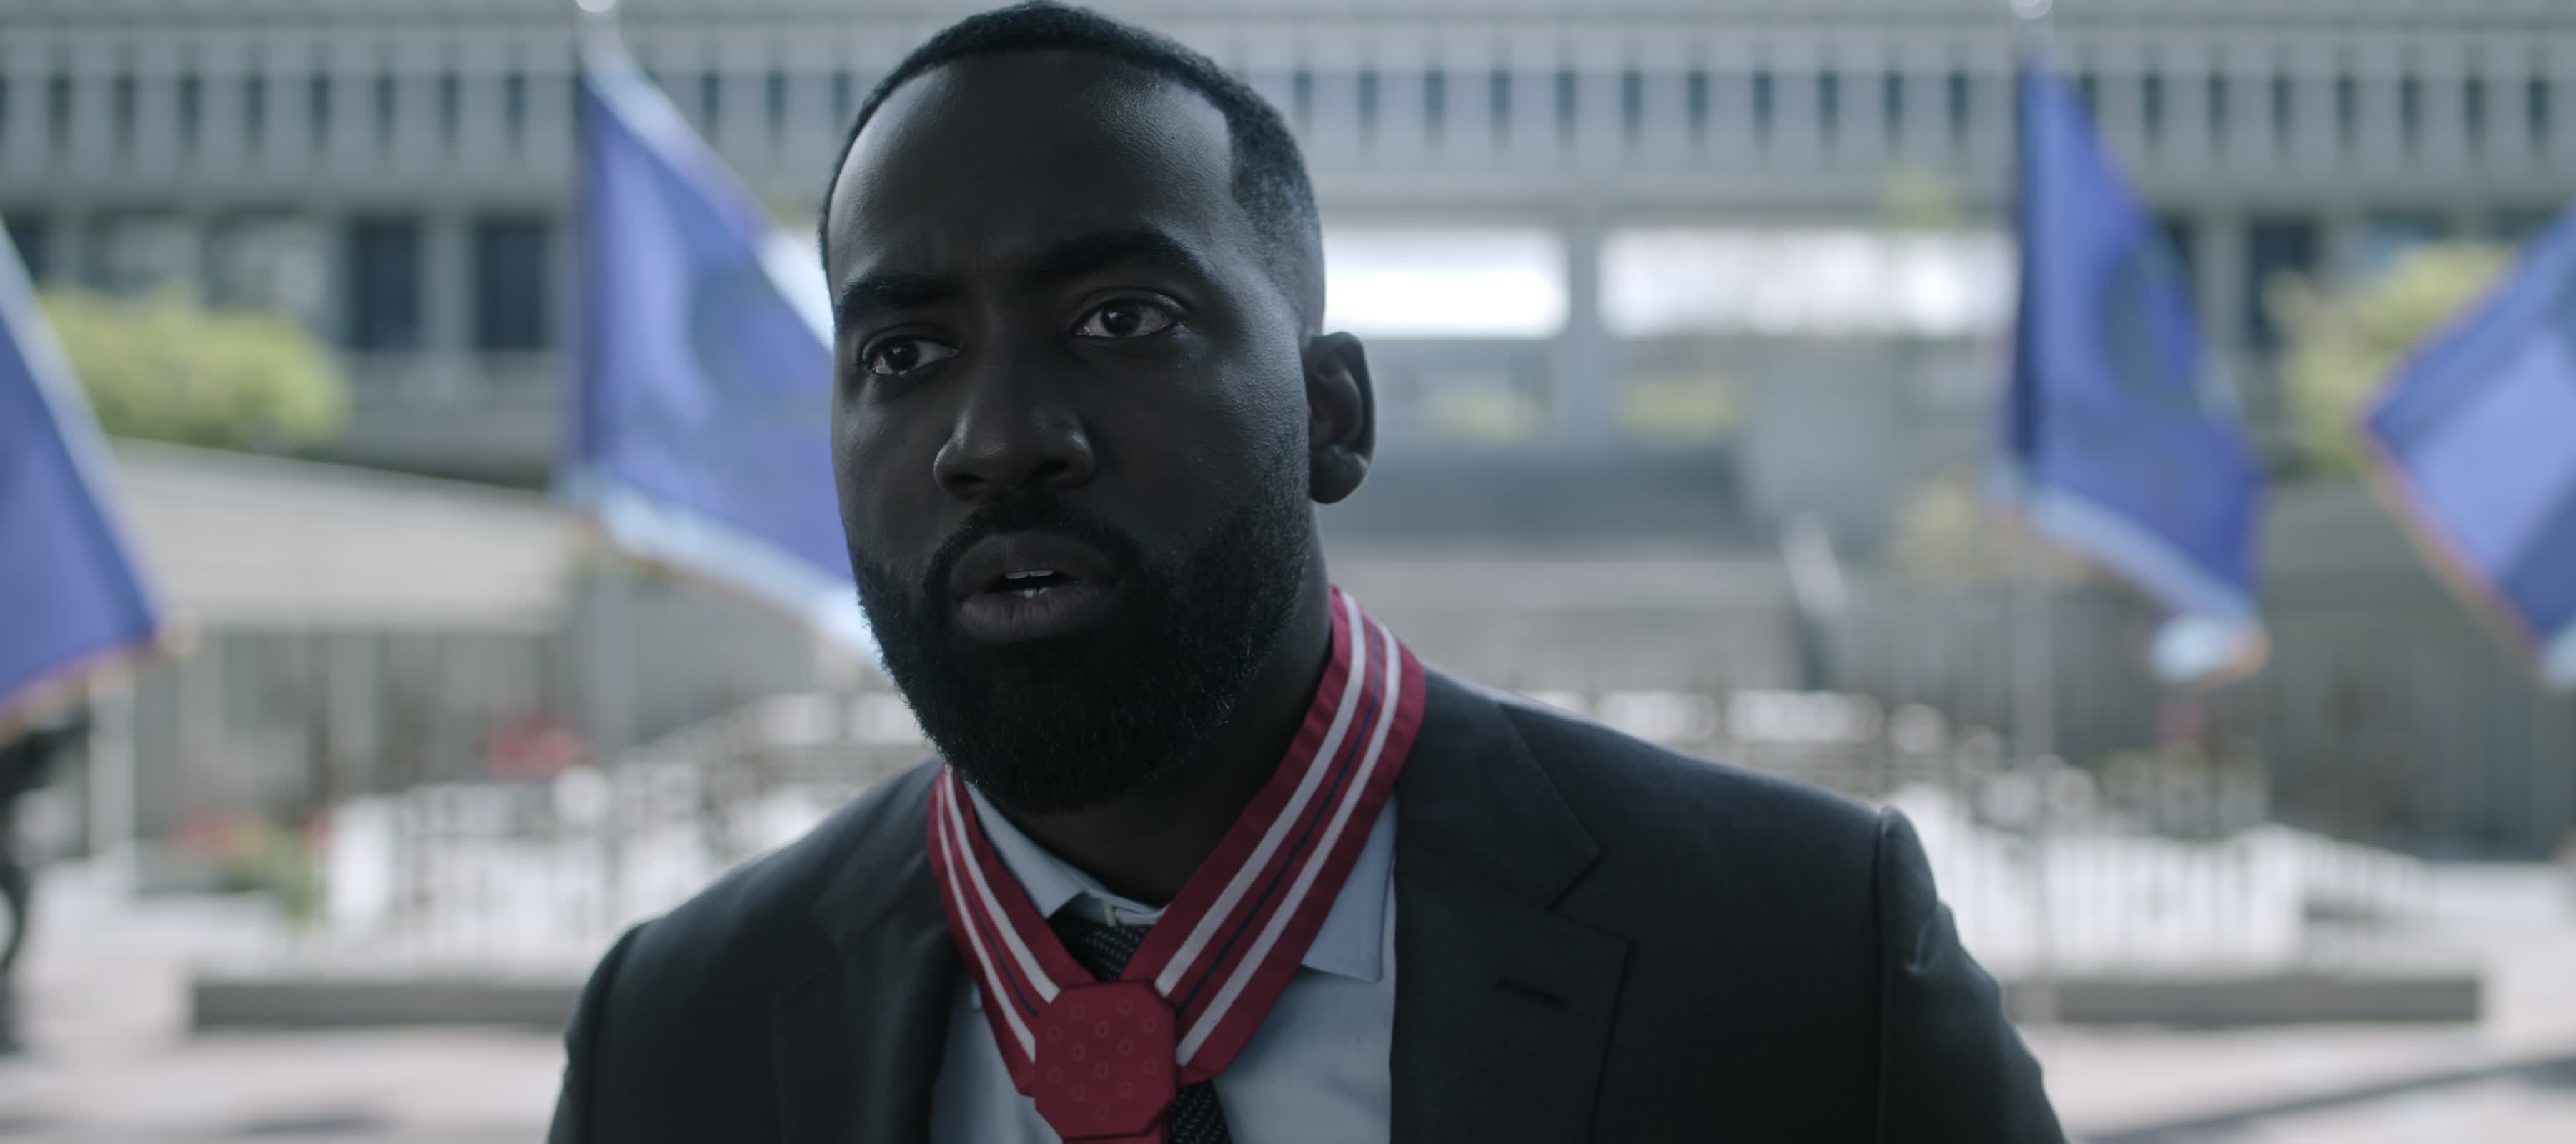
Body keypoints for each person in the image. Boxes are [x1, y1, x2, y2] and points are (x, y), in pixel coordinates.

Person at [547, 4, 2061, 1140]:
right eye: (904, 353)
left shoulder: (1804, 956)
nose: (995, 438)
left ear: (1332, 417)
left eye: (1122, 318)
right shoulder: (670, 1039)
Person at [0, 706, 86, 1057]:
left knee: (19, 931)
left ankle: (5, 1017)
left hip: (12, 843)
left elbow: (49, 747)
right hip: (10, 843)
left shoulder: (23, 734)